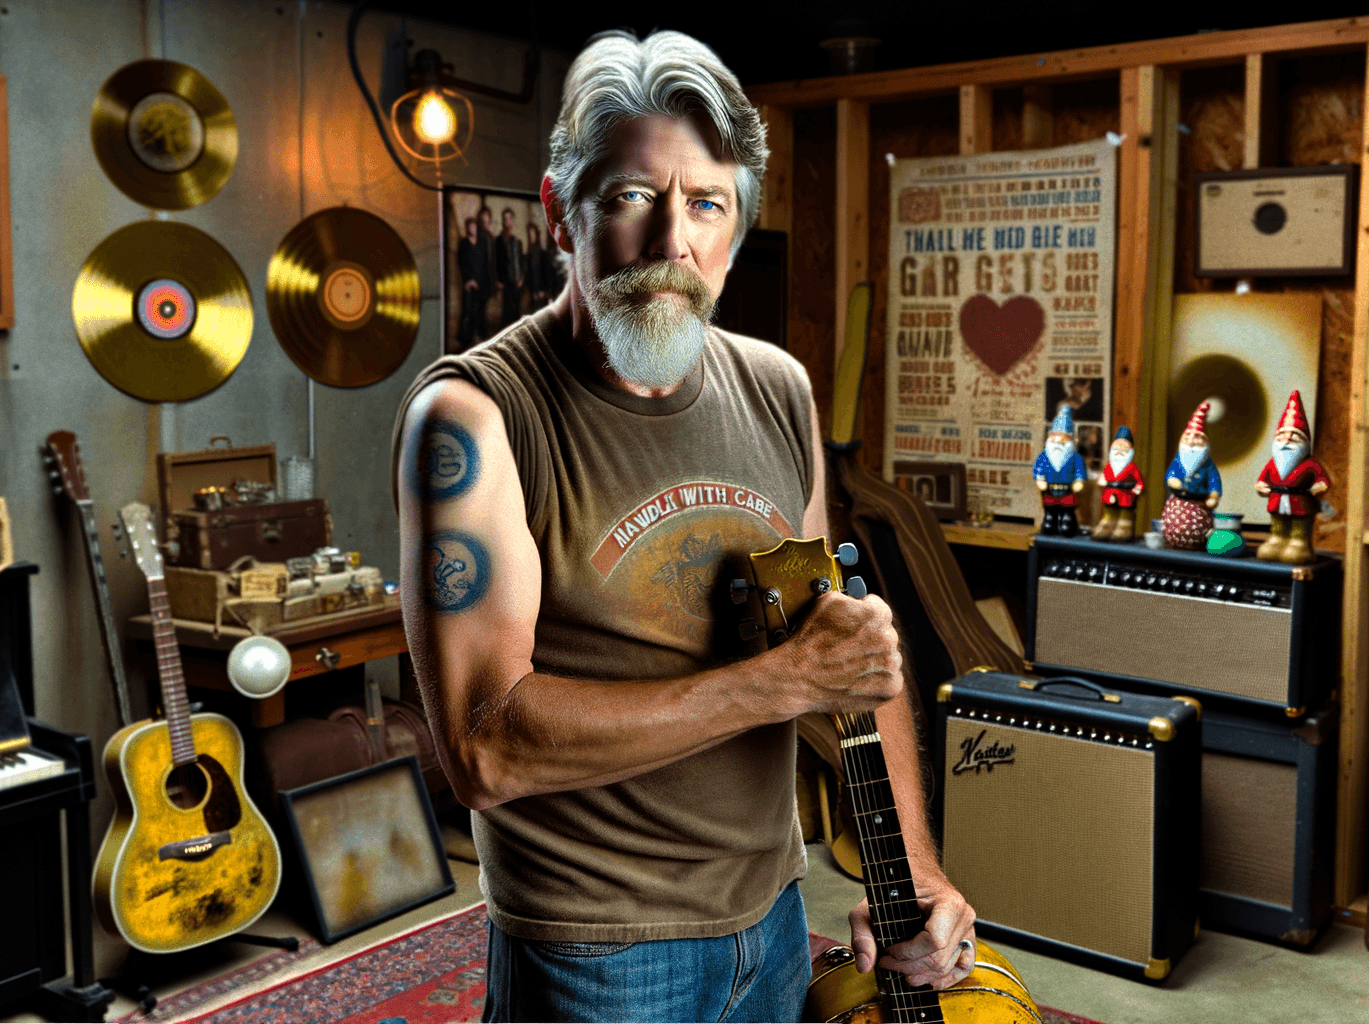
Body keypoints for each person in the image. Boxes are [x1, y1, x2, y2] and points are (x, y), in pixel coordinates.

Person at [393, 28, 976, 1022]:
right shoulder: (475, 417)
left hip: (775, 917)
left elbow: (839, 657)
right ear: (557, 215)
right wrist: (775, 684)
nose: (673, 243)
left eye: (706, 203)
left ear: (736, 225)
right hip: (598, 954)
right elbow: (487, 751)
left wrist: (909, 872)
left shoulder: (778, 390)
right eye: (629, 198)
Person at [1254, 390, 1331, 564]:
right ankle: (1277, 540)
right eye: (1282, 436)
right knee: (1278, 524)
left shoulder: (1310, 464)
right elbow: (1261, 480)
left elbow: (1323, 480)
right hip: (1276, 501)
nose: (1287, 440)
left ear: (1305, 442)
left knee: (1299, 526)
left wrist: (1319, 488)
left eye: (1294, 436)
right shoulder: (1272, 463)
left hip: (1301, 502)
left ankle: (1299, 544)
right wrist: (1261, 487)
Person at [1162, 400, 1221, 551]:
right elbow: (1171, 473)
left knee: (1200, 528)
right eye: (1188, 437)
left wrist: (1213, 496)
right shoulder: (1178, 459)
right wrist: (1172, 480)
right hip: (1177, 503)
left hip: (1199, 505)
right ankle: (1173, 541)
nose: (1192, 441)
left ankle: (1196, 543)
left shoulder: (1208, 465)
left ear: (1205, 442)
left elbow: (1214, 482)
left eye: (1197, 437)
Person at [1032, 405, 1086, 536]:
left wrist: (1079, 480)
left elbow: (1080, 470)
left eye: (1062, 438)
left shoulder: (1075, 458)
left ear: (1073, 440)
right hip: (1049, 490)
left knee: (1067, 513)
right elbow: (1038, 468)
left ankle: (1067, 524)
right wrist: (1039, 479)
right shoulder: (1044, 456)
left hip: (1067, 491)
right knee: (1049, 513)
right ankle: (1049, 523)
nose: (1056, 441)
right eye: (1053, 436)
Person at [1092, 425, 1143, 542]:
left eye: (1124, 448)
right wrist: (1102, 480)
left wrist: (1137, 489)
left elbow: (1139, 481)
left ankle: (1124, 528)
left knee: (1125, 515)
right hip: (1110, 494)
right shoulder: (1109, 466)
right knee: (1109, 512)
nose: (1119, 451)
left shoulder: (1132, 467)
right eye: (1117, 448)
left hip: (1125, 495)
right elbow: (1104, 476)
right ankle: (1106, 527)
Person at [455, 210, 492, 347]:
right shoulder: (463, 243)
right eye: (469, 226)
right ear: (467, 228)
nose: (472, 228)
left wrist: (485, 282)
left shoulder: (482, 242)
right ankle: (464, 340)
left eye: (474, 226)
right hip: (469, 284)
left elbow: (485, 263)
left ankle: (482, 338)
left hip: (482, 282)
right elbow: (461, 264)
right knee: (468, 311)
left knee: (481, 311)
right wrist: (467, 281)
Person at [494, 207, 526, 329]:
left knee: (517, 311)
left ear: (512, 220)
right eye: (505, 219)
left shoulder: (517, 241)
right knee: (507, 312)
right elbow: (495, 261)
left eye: (509, 218)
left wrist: (521, 277)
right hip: (505, 281)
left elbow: (521, 261)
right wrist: (498, 280)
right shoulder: (498, 241)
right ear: (502, 221)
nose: (507, 221)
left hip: (517, 281)